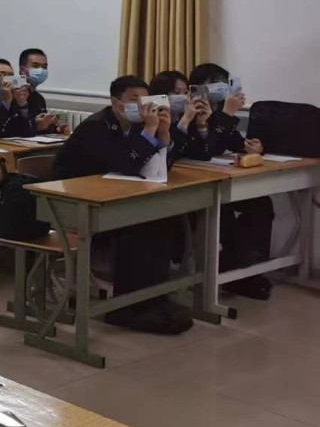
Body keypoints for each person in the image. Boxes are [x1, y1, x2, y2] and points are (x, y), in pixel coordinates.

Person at [52, 75, 199, 334]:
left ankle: (153, 298)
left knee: (162, 220)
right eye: (134, 100)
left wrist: (164, 134)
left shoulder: (137, 125)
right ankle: (126, 308)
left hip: (111, 200)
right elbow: (126, 165)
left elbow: (159, 169)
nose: (142, 106)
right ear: (116, 103)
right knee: (140, 228)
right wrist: (149, 132)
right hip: (74, 206)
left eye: (145, 100)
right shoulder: (96, 127)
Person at [186, 63, 275, 300]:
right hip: (194, 183)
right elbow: (206, 149)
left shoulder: (218, 110)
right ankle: (233, 269)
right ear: (198, 87)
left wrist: (254, 147)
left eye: (224, 83)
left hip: (220, 178)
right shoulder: (191, 111)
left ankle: (249, 267)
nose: (222, 88)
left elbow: (234, 142)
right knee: (221, 209)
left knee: (261, 203)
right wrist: (226, 114)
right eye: (215, 83)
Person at [0, 58, 59, 138]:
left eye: (10, 76)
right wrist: (6, 103)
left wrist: (22, 104)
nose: (6, 80)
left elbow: (27, 131)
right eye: (0, 75)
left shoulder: (17, 96)